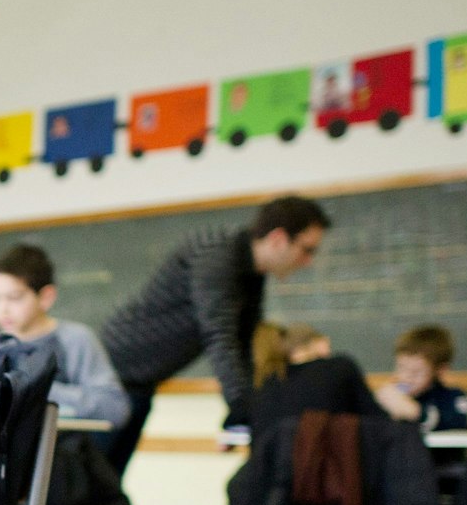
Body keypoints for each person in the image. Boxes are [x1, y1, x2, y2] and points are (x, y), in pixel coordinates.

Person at [100, 196, 331, 473]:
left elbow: (244, 343)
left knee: (107, 484)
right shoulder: (217, 252)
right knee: (89, 487)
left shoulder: (251, 273)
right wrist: (239, 406)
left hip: (139, 382)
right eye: (307, 250)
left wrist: (246, 408)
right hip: (109, 376)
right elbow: (219, 334)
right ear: (279, 239)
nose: (307, 262)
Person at [0, 244, 131, 429]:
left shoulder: (75, 340)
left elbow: (114, 409)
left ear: (46, 297)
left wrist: (39, 390)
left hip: (65, 451)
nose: (2, 309)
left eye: (14, 297)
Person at [248, 322, 385, 430]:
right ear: (319, 343)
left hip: (273, 463)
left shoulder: (265, 382)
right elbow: (377, 420)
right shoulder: (338, 368)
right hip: (327, 462)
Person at [374, 323, 467, 432]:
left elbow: (458, 424)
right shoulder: (393, 396)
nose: (406, 377)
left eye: (416, 372)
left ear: (440, 370)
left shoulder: (453, 397)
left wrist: (415, 412)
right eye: (401, 368)